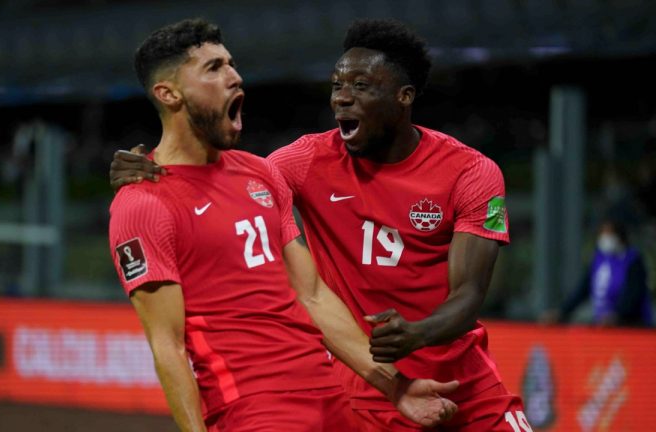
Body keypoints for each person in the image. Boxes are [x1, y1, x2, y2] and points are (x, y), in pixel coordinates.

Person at [111, 18, 531, 432]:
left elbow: (464, 296)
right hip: (326, 395)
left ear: (404, 96)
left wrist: (408, 358)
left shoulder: (469, 172)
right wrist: (143, 169)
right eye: (337, 86)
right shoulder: (292, 165)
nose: (342, 100)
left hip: (441, 384)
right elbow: (168, 342)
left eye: (361, 87)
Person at [544, 218, 653, 327]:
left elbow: (633, 293)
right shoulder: (599, 259)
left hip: (632, 326)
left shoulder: (633, 260)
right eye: (602, 233)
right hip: (603, 325)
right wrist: (562, 312)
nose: (605, 238)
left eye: (609, 234)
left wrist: (617, 315)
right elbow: (583, 290)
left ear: (620, 236)